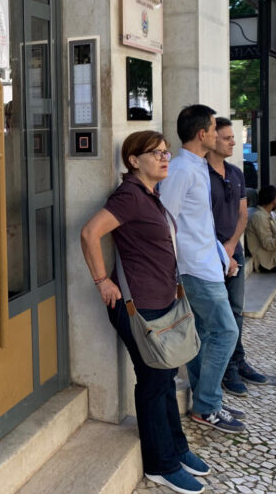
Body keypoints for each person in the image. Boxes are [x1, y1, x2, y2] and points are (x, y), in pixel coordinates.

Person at [80, 130, 210, 494]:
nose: (165, 158)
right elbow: (90, 233)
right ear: (134, 160)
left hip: (161, 301)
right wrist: (102, 281)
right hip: (139, 307)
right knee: (154, 384)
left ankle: (178, 449)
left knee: (165, 379)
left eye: (167, 152)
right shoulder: (129, 197)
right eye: (157, 153)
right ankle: (160, 464)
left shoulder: (150, 196)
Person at [159, 105, 245, 434]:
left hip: (207, 263)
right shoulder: (181, 169)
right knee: (226, 331)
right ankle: (208, 403)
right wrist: (175, 272)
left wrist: (224, 257)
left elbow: (200, 223)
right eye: (214, 127)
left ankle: (207, 400)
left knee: (204, 335)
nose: (218, 131)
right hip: (194, 268)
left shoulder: (194, 167)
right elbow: (165, 222)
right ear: (202, 134)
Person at [207, 117, 270, 397]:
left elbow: (243, 213)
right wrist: (222, 251)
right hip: (208, 256)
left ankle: (237, 361)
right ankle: (224, 369)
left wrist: (232, 245)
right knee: (217, 316)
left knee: (236, 311)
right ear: (211, 140)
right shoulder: (200, 175)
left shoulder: (236, 172)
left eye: (233, 137)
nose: (234, 142)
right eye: (227, 138)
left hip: (235, 252)